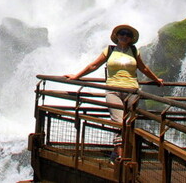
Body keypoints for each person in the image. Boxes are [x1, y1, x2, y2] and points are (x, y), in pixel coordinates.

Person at [66, 24, 164, 162]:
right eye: (122, 33)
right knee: (118, 122)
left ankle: (119, 153)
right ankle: (121, 157)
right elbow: (93, 65)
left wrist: (156, 80)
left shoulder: (134, 51)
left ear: (131, 39)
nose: (125, 36)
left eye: (128, 35)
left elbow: (144, 69)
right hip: (113, 90)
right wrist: (77, 76)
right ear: (117, 36)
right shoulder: (110, 50)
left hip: (133, 90)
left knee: (130, 123)